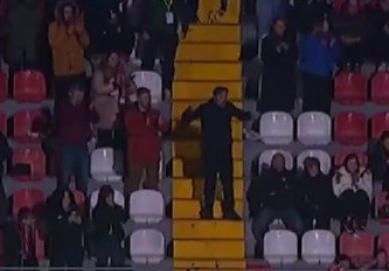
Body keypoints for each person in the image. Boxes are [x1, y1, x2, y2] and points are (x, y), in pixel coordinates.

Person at [181, 87, 251, 219]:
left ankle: (229, 210)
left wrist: (248, 115)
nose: (224, 98)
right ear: (215, 96)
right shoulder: (205, 108)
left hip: (225, 152)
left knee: (228, 183)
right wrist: (188, 112)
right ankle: (208, 210)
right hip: (210, 152)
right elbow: (188, 119)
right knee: (210, 183)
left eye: (225, 96)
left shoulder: (229, 107)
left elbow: (241, 115)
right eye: (221, 96)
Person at [141, 0, 188, 100]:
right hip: (153, 32)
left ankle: (167, 89)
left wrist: (183, 28)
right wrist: (144, 30)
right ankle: (145, 89)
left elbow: (182, 12)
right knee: (147, 59)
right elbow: (144, 12)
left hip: (169, 34)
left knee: (168, 63)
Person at [249, 152, 304, 256]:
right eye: (276, 161)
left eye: (281, 161)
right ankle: (263, 246)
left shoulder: (291, 177)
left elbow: (297, 194)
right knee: (257, 226)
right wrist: (256, 209)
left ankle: (292, 247)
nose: (279, 163)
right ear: (272, 162)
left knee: (299, 225)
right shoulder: (264, 177)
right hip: (269, 208)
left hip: (287, 208)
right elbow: (253, 193)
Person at [54, 84, 94, 195]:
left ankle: (81, 206)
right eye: (78, 93)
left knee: (83, 180)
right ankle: (62, 205)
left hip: (82, 146)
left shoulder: (85, 106)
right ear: (71, 93)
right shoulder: (63, 107)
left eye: (82, 93)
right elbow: (62, 123)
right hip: (67, 147)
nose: (81, 96)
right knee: (64, 181)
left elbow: (95, 117)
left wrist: (90, 110)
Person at [124, 87, 166, 191]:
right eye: (144, 97)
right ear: (138, 99)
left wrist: (162, 123)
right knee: (133, 185)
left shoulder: (155, 113)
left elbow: (164, 128)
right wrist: (147, 125)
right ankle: (130, 205)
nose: (147, 100)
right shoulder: (130, 114)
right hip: (136, 155)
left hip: (152, 155)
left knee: (152, 184)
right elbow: (132, 129)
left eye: (148, 97)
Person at [46, 187, 86, 271]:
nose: (66, 200)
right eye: (64, 198)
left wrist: (80, 222)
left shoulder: (77, 211)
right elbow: (49, 228)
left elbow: (88, 228)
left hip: (74, 247)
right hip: (58, 247)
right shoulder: (52, 212)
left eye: (68, 197)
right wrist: (65, 219)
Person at [91, 185, 128, 271]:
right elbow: (102, 221)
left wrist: (113, 208)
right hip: (102, 240)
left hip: (115, 239)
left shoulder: (117, 208)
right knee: (101, 266)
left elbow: (124, 217)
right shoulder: (97, 210)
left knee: (117, 265)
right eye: (107, 196)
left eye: (111, 196)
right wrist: (112, 211)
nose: (110, 199)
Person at [49, 1, 91, 96]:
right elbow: (54, 43)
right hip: (61, 72)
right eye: (66, 12)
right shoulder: (54, 27)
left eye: (70, 12)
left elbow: (86, 43)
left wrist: (80, 32)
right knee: (61, 101)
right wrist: (66, 30)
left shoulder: (78, 26)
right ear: (61, 13)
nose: (68, 15)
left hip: (77, 71)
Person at [299, 19, 340, 114]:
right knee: (310, 105)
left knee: (323, 107)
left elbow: (337, 56)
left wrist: (330, 45)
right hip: (311, 76)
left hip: (324, 77)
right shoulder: (307, 40)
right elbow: (306, 55)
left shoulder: (331, 40)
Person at [2, 207, 47, 271]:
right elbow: (10, 244)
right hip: (17, 257)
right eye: (30, 219)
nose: (32, 221)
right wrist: (18, 251)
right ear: (24, 220)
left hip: (29, 256)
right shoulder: (14, 229)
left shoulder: (31, 229)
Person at [4, 0, 44, 71]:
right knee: (16, 71)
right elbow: (10, 8)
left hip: (30, 40)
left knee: (30, 69)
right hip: (16, 39)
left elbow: (36, 12)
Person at [91, 51, 131, 145]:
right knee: (105, 135)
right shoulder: (100, 72)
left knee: (120, 133)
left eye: (117, 59)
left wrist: (126, 85)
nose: (115, 61)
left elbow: (129, 85)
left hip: (119, 106)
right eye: (112, 58)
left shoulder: (121, 72)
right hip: (104, 106)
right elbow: (99, 88)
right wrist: (113, 86)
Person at [260, 17, 299, 113]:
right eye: (278, 25)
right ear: (274, 26)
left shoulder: (291, 42)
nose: (280, 28)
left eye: (282, 25)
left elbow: (295, 57)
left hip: (286, 81)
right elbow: (264, 58)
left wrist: (287, 50)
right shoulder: (267, 41)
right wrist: (276, 50)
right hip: (271, 81)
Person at [332, 153, 373, 231]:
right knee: (349, 194)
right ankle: (347, 220)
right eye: (350, 163)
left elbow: (369, 190)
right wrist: (349, 185)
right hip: (345, 199)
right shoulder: (339, 175)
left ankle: (361, 221)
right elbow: (336, 191)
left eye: (354, 163)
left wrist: (359, 182)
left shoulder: (365, 173)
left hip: (361, 199)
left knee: (361, 194)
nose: (352, 166)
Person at [330, 0, 366, 71]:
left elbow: (366, 31)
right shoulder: (339, 16)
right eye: (351, 5)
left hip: (357, 43)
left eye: (355, 6)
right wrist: (341, 37)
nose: (353, 8)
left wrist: (355, 39)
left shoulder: (362, 17)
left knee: (357, 51)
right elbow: (334, 28)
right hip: (341, 42)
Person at [299, 157, 334, 230]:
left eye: (315, 167)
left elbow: (328, 196)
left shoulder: (324, 180)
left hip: (322, 207)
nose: (313, 170)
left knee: (324, 216)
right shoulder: (302, 181)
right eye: (310, 167)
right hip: (307, 208)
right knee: (305, 217)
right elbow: (300, 198)